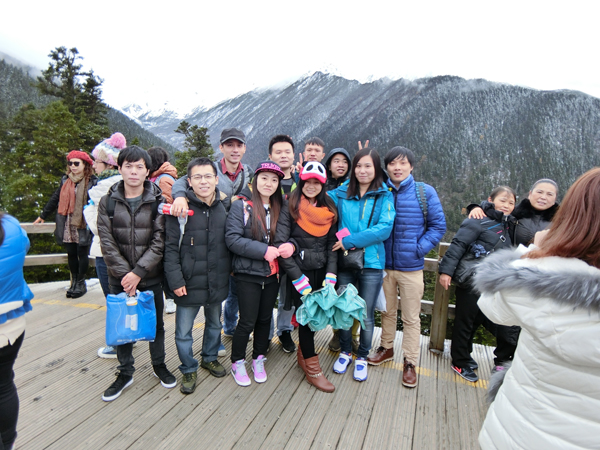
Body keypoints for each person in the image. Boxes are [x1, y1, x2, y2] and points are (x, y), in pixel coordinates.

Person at [476, 168, 600, 450]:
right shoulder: (515, 217)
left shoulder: (545, 273)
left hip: (519, 428)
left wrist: (534, 252)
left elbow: (492, 303)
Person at [97, 145, 176, 401]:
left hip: (150, 275)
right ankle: (125, 371)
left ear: (147, 170)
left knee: (156, 324)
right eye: (128, 166)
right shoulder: (108, 202)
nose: (133, 171)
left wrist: (138, 272)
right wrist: (126, 275)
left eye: (139, 166)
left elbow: (159, 241)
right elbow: (106, 242)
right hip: (119, 277)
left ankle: (159, 364)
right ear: (119, 169)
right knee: (121, 324)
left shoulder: (158, 202)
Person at [368, 146, 446, 388]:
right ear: (387, 167)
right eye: (392, 163)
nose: (397, 168)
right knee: (387, 311)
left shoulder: (424, 192)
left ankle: (410, 361)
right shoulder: (380, 191)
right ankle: (386, 348)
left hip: (411, 267)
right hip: (384, 264)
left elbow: (438, 226)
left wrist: (418, 249)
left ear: (411, 166)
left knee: (411, 317)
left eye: (403, 163)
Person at [171, 128, 253, 347]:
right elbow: (182, 181)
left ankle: (227, 329)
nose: (234, 150)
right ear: (221, 147)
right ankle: (216, 342)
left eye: (238, 145)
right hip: (211, 233)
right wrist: (179, 197)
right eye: (229, 145)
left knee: (230, 290)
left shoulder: (248, 172)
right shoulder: (210, 170)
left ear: (244, 148)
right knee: (215, 291)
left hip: (233, 237)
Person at [468, 178, 559, 370]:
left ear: (556, 198)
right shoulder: (516, 214)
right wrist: (475, 207)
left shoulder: (561, 220)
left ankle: (526, 364)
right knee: (509, 320)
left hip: (545, 277)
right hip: (514, 273)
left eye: (549, 194)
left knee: (536, 322)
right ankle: (502, 361)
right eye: (540, 192)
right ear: (530, 194)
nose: (543, 197)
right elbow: (493, 210)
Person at [164, 158, 230, 394]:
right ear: (189, 182)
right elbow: (170, 250)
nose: (204, 181)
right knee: (183, 332)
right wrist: (176, 281)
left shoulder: (224, 207)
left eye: (208, 176)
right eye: (198, 177)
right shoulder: (179, 210)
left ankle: (209, 357)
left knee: (215, 324)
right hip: (188, 282)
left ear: (216, 179)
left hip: (217, 280)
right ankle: (188, 367)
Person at [328, 148, 395, 382]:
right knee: (345, 310)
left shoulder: (384, 196)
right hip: (346, 262)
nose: (362, 170)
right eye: (358, 166)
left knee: (365, 313)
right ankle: (346, 352)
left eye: (368, 166)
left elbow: (384, 229)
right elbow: (316, 199)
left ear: (376, 169)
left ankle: (363, 356)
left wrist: (349, 241)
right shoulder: (341, 193)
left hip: (372, 262)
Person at [438, 186, 516, 382]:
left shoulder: (507, 224)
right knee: (465, 322)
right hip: (471, 281)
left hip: (490, 284)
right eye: (502, 200)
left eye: (511, 202)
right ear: (490, 200)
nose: (506, 205)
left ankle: (465, 355)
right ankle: (459, 361)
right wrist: (446, 271)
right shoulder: (478, 220)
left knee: (476, 321)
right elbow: (458, 244)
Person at [275, 161, 338, 392]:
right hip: (299, 272)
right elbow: (281, 243)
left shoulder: (329, 208)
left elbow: (332, 244)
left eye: (316, 182)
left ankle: (303, 355)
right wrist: (297, 277)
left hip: (321, 270)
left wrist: (331, 274)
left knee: (315, 316)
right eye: (307, 181)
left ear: (322, 184)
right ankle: (312, 367)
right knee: (306, 316)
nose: (311, 186)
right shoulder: (290, 205)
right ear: (301, 182)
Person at [225, 161, 284, 386]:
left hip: (272, 274)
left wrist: (290, 246)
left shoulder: (281, 207)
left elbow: (288, 235)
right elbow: (232, 239)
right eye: (264, 178)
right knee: (247, 321)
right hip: (247, 273)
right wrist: (263, 251)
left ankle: (258, 358)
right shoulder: (241, 206)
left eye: (274, 180)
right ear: (255, 180)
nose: (269, 183)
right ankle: (237, 361)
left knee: (265, 318)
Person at [83, 132, 127, 359]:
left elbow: (98, 227)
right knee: (123, 297)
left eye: (97, 161)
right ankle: (127, 338)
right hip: (125, 253)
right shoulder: (123, 186)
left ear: (109, 164)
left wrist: (88, 211)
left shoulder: (102, 190)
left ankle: (118, 344)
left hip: (105, 252)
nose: (94, 165)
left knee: (113, 299)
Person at [34, 150, 97, 298]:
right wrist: (43, 215)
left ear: (85, 165)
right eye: (70, 163)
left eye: (76, 163)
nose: (73, 166)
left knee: (82, 252)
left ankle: (81, 283)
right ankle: (74, 282)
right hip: (67, 221)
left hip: (83, 222)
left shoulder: (92, 181)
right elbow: (55, 198)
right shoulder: (66, 180)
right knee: (71, 253)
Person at [0, 213, 34, 450]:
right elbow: (25, 245)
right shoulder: (10, 225)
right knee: (4, 384)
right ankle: (8, 441)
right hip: (11, 325)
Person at [268, 134, 297, 353]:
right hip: (267, 246)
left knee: (288, 294)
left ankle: (284, 330)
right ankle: (266, 333)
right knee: (267, 293)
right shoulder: (263, 181)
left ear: (294, 155)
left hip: (291, 246)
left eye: (287, 152)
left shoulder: (301, 183)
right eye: (278, 152)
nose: (283, 155)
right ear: (270, 156)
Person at [148, 146, 178, 315]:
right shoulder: (158, 176)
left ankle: (171, 298)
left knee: (166, 263)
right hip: (158, 226)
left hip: (164, 227)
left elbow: (167, 202)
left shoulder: (163, 179)